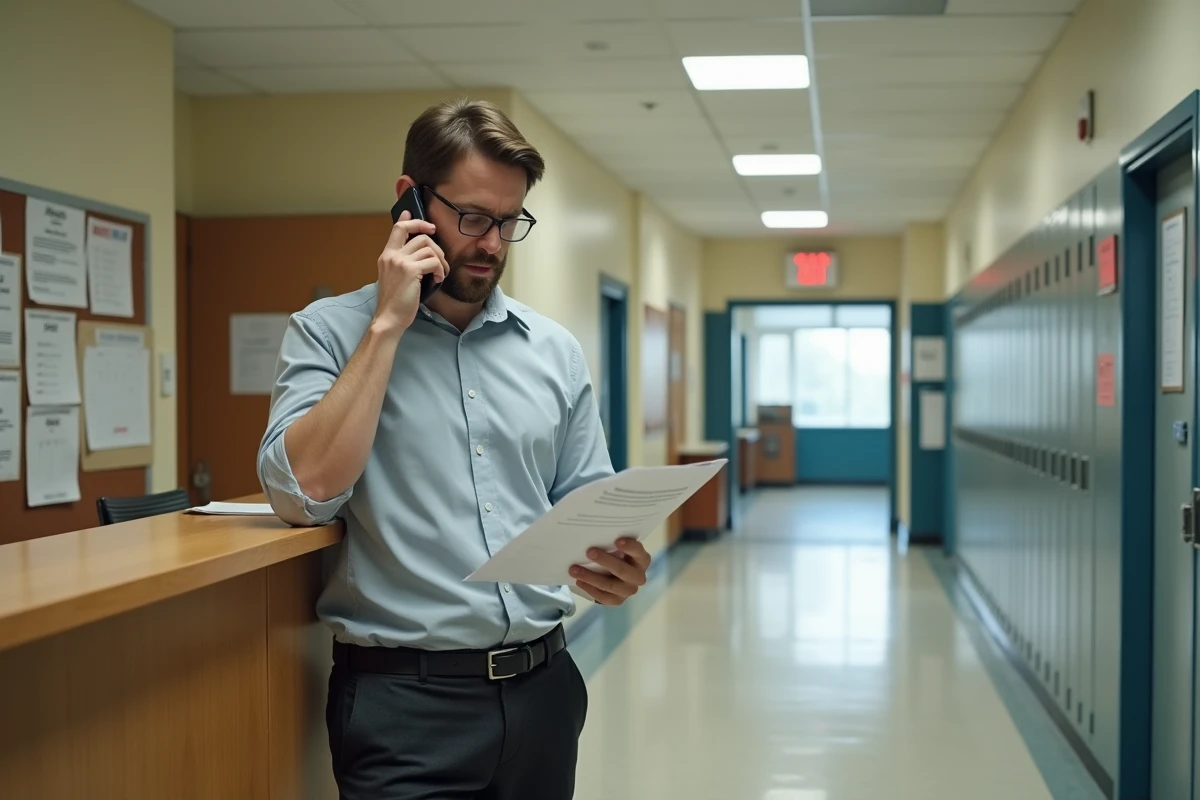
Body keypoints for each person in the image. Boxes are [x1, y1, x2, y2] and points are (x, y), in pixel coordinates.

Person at [256, 97, 651, 799]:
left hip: (543, 693)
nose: (492, 244)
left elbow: (586, 504)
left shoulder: (553, 351)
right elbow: (302, 493)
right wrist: (386, 326)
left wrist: (613, 564)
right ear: (409, 201)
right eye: (472, 217)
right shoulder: (328, 332)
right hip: (405, 708)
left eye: (509, 222)